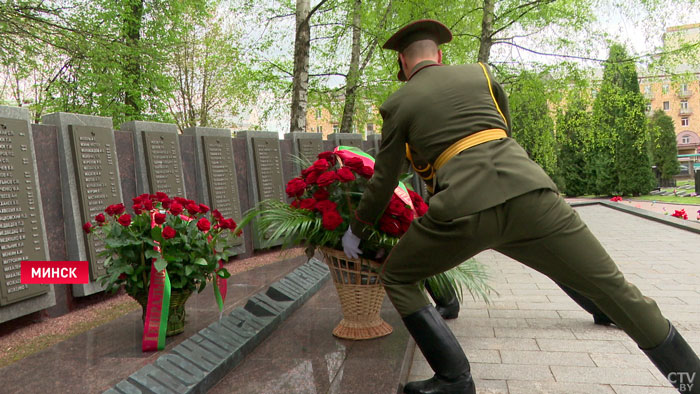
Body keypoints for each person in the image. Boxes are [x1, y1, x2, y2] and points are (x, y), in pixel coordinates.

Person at [341, 19, 700, 394]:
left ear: (402, 62)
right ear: (440, 54)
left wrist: (358, 228)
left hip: (463, 210)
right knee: (618, 290)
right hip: (534, 197)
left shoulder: (398, 102)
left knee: (398, 275)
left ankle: (454, 380)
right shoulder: (481, 74)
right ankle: (691, 380)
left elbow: (385, 179)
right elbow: (503, 132)